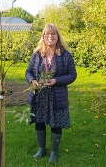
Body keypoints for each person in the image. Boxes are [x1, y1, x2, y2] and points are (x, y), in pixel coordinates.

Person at [25, 23, 77, 163]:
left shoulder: (65, 55)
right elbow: (28, 71)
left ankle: (54, 152)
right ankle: (41, 149)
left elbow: (72, 75)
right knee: (39, 122)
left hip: (57, 96)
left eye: (53, 33)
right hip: (40, 96)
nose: (50, 36)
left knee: (56, 124)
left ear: (57, 36)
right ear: (43, 36)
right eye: (47, 34)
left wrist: (56, 80)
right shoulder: (37, 54)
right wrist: (32, 81)